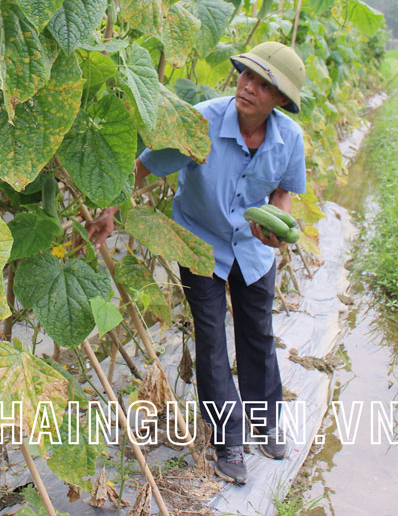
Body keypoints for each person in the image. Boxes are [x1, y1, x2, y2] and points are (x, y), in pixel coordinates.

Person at [87, 41, 307, 485]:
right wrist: (110, 208)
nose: (248, 88)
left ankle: (265, 421)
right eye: (247, 75)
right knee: (210, 340)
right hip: (199, 242)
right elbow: (144, 166)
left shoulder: (289, 139)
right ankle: (228, 439)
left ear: (281, 101)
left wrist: (277, 228)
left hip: (252, 247)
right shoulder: (201, 119)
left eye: (264, 85)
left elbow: (283, 192)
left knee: (258, 334)